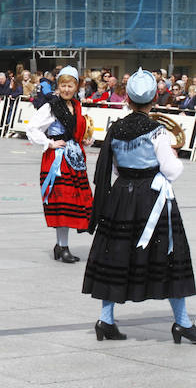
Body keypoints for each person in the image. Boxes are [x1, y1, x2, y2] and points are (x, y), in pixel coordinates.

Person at [83, 68, 196, 343]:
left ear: (128, 99)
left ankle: (106, 320)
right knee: (169, 257)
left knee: (115, 253)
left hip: (121, 196)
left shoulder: (116, 128)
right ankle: (182, 323)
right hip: (150, 198)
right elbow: (172, 171)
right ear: (153, 99)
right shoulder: (157, 131)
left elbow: (112, 168)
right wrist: (172, 156)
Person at [26, 66, 93, 264]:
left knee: (72, 203)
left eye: (70, 85)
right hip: (57, 161)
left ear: (76, 86)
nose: (66, 89)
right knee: (62, 204)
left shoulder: (78, 106)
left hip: (74, 160)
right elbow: (32, 128)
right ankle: (62, 246)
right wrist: (49, 143)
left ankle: (60, 246)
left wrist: (87, 140)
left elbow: (82, 129)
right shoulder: (51, 106)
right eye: (63, 85)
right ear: (58, 86)